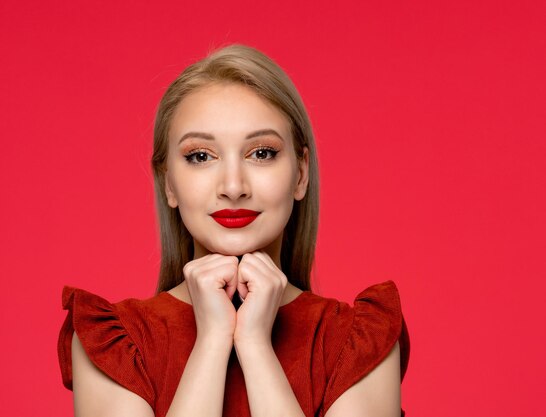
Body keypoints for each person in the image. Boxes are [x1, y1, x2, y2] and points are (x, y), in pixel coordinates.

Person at [57, 43, 410, 417]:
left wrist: (256, 345)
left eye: (261, 153)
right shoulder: (112, 342)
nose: (233, 186)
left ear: (301, 174)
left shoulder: (360, 341)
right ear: (169, 184)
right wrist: (211, 342)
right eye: (200, 156)